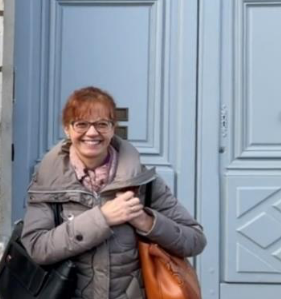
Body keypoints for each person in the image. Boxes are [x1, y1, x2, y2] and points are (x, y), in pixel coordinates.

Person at [21, 87, 206, 299]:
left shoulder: (143, 182)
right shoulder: (48, 181)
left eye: (102, 124)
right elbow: (37, 247)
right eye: (81, 124)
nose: (92, 133)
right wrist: (102, 218)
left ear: (112, 128)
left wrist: (146, 221)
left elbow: (195, 240)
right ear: (67, 129)